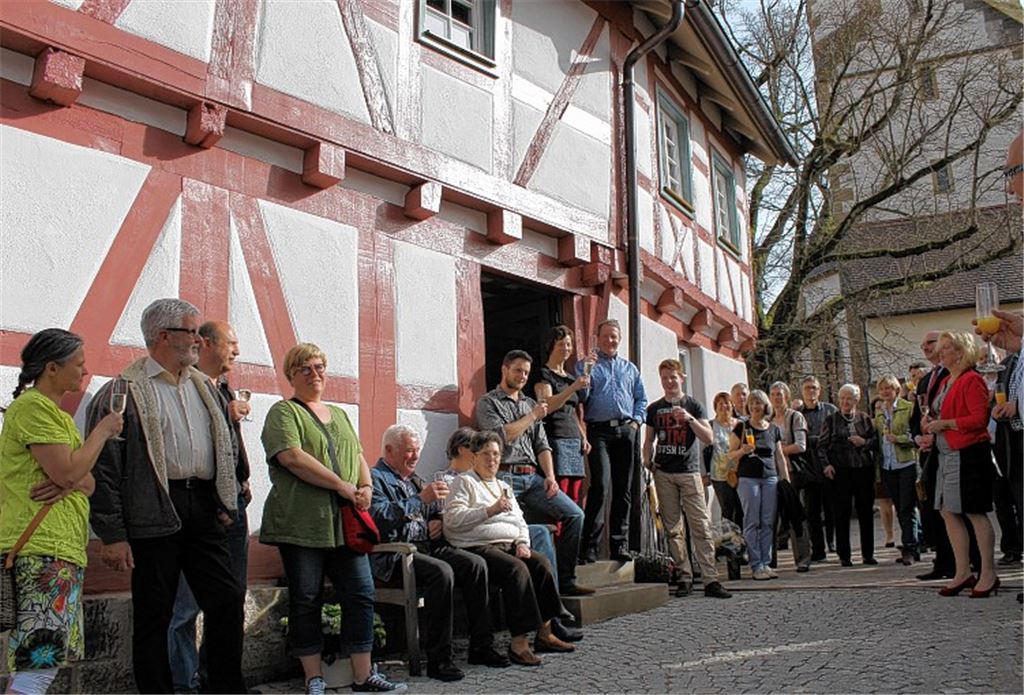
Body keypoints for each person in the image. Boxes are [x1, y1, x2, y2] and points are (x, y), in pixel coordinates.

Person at [87, 299, 246, 694]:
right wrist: (112, 534)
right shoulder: (122, 391)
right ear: (163, 336)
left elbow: (223, 446)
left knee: (226, 600)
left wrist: (223, 499)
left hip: (203, 506)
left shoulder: (204, 388)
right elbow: (105, 467)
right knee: (154, 615)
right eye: (191, 332)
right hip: (153, 508)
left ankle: (226, 689)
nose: (198, 339)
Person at [260, 343, 404, 694]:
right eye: (305, 368)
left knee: (360, 593)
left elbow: (356, 454)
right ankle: (314, 678)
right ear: (291, 375)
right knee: (306, 598)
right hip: (301, 522)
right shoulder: (283, 413)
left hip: (344, 524)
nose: (315, 373)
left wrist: (366, 486)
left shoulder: (339, 415)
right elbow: (292, 457)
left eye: (320, 366)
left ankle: (363, 675)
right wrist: (341, 485)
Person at [0, 329, 123, 695]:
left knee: (42, 661)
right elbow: (70, 473)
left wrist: (72, 476)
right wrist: (100, 433)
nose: (84, 372)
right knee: (38, 663)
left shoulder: (55, 416)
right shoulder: (34, 408)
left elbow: (87, 483)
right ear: (52, 368)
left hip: (57, 551)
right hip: (42, 551)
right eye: (79, 364)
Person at [369, 424, 508, 681]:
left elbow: (432, 510)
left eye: (417, 450)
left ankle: (481, 646)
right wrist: (420, 500)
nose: (415, 456)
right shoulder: (375, 478)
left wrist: (437, 519)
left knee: (475, 564)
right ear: (389, 450)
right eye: (409, 451)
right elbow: (379, 518)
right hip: (397, 555)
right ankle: (439, 659)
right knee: (441, 572)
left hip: (427, 547)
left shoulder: (413, 478)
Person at [168, 321, 252, 693]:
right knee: (186, 606)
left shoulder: (224, 389)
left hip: (233, 504)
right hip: (201, 509)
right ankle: (182, 683)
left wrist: (242, 480)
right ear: (206, 344)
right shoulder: (187, 387)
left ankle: (217, 680)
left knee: (230, 600)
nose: (236, 350)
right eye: (231, 342)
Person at [444, 431, 575, 666]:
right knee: (517, 569)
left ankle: (545, 633)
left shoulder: (503, 485)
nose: (492, 459)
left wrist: (523, 542)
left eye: (495, 454)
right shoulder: (464, 482)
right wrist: (489, 510)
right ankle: (519, 643)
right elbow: (453, 521)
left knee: (540, 563)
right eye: (486, 454)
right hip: (477, 546)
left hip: (509, 544)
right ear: (474, 457)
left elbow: (520, 521)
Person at [475, 349, 591, 596]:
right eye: (518, 370)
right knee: (522, 532)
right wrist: (534, 415)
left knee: (575, 515)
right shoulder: (488, 402)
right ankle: (542, 592)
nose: (522, 376)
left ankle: (566, 580)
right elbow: (500, 437)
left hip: (534, 476)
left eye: (526, 372)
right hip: (505, 477)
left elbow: (542, 445)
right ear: (504, 369)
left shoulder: (529, 403)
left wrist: (550, 476)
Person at [642, 359, 731, 598]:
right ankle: (684, 576)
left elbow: (709, 438)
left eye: (673, 377)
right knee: (673, 529)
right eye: (665, 378)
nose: (669, 382)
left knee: (700, 525)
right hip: (664, 473)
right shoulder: (654, 409)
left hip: (690, 472)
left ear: (681, 378)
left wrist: (689, 419)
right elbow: (649, 440)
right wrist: (647, 460)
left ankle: (711, 579)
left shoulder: (693, 404)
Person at [923, 332, 1000, 598]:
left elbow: (979, 419)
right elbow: (941, 414)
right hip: (946, 453)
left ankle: (988, 572)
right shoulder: (946, 380)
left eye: (945, 348)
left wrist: (945, 424)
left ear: (960, 351)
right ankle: (962, 571)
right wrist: (931, 429)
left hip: (968, 453)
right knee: (947, 511)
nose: (939, 352)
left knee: (975, 512)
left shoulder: (972, 379)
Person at [578, 319, 648, 562]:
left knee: (624, 490)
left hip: (626, 432)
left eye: (614, 336)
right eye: (606, 336)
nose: (610, 340)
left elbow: (641, 400)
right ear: (597, 338)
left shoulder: (630, 369)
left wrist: (636, 423)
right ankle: (589, 548)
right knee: (600, 487)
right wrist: (586, 372)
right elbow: (581, 398)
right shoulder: (587, 365)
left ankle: (620, 545)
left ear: (619, 338)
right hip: (599, 432)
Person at [534, 325, 590, 516]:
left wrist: (583, 436)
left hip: (573, 440)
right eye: (561, 344)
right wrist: (573, 387)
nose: (566, 348)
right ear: (551, 346)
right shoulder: (544, 374)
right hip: (555, 438)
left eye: (568, 344)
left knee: (575, 495)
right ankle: (558, 542)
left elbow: (573, 412)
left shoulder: (570, 377)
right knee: (559, 496)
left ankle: (572, 542)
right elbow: (547, 406)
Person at [819, 383, 878, 568]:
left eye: (849, 398)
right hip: (840, 471)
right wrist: (826, 465)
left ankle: (868, 554)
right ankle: (844, 555)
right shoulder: (831, 420)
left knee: (865, 513)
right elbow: (821, 445)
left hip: (863, 469)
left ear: (856, 400)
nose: (845, 402)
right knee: (842, 514)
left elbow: (876, 442)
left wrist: (864, 442)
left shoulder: (864, 418)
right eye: (842, 398)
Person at [727, 389, 782, 580]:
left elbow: (779, 456)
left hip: (770, 477)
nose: (755, 407)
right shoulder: (741, 428)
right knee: (752, 521)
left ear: (765, 405)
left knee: (768, 522)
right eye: (751, 404)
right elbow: (730, 455)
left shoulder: (773, 429)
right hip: (748, 478)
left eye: (758, 403)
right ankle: (756, 564)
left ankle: (766, 563)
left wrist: (785, 479)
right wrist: (742, 451)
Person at [873, 375, 920, 566]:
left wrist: (898, 438)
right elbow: (877, 439)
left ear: (896, 390)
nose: (885, 392)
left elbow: (915, 435)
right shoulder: (879, 412)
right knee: (899, 506)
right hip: (888, 465)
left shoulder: (907, 408)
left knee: (907, 506)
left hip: (906, 462)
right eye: (882, 389)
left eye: (889, 388)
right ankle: (912, 543)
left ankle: (910, 546)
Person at [769, 382, 811, 572]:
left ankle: (802, 558)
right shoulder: (767, 419)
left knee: (796, 515)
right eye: (773, 394)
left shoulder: (795, 417)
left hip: (792, 472)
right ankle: (770, 561)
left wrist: (778, 451)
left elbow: (801, 446)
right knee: (770, 517)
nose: (777, 398)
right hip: (770, 473)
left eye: (780, 394)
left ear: (786, 396)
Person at [798, 376, 837, 560]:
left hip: (829, 465)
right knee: (812, 511)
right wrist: (817, 440)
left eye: (814, 388)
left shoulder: (830, 411)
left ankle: (832, 541)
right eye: (807, 388)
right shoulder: (797, 414)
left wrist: (813, 441)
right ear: (802, 391)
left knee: (831, 508)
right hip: (807, 469)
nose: (810, 391)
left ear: (819, 390)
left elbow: (835, 436)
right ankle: (818, 549)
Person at [708, 392, 742, 527]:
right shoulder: (711, 425)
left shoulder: (740, 425)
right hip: (720, 474)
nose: (724, 406)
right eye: (720, 404)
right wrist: (704, 473)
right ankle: (729, 542)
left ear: (732, 406)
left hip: (739, 472)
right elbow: (702, 449)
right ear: (715, 407)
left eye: (727, 403)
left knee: (741, 508)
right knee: (728, 510)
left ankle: (743, 541)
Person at [869, 396, 897, 550]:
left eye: (882, 407)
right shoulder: (871, 425)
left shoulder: (893, 419)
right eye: (877, 408)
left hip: (896, 462)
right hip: (880, 466)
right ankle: (889, 534)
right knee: (884, 501)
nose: (880, 410)